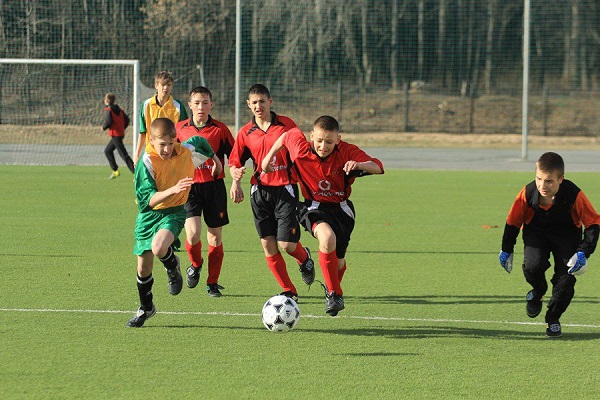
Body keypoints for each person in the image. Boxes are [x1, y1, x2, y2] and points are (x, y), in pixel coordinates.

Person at [261, 116, 384, 316]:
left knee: (339, 262)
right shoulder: (301, 148)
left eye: (329, 142)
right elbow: (286, 136)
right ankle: (334, 294)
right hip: (313, 207)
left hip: (342, 211)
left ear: (338, 139)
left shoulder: (346, 151)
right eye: (319, 140)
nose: (323, 146)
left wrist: (358, 165)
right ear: (311, 136)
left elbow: (377, 167)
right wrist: (268, 158)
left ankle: (332, 288)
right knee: (327, 237)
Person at [126, 118, 219, 328]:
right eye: (162, 144)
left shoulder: (185, 151)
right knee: (143, 268)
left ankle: (171, 266)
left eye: (170, 143)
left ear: (175, 139)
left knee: (159, 247)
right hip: (148, 215)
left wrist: (216, 161)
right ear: (151, 141)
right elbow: (149, 200)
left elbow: (200, 142)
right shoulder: (146, 162)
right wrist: (173, 189)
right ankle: (146, 308)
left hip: (174, 212)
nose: (167, 149)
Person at [499, 151, 600, 337]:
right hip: (536, 232)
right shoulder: (528, 193)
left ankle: (553, 317)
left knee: (566, 280)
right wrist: (506, 249)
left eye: (549, 181)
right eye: (539, 179)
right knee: (533, 266)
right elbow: (513, 221)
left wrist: (583, 252)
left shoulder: (573, 194)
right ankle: (538, 291)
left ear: (561, 179)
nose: (542, 186)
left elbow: (593, 223)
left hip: (567, 235)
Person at [229, 84, 314, 301]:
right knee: (268, 244)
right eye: (254, 102)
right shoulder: (245, 133)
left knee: (287, 245)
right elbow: (235, 162)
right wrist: (235, 180)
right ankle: (289, 291)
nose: (258, 106)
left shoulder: (287, 125)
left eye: (262, 101)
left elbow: (300, 152)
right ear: (248, 105)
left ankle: (304, 258)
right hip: (259, 192)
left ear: (270, 102)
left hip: (285, 189)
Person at [176, 86, 232, 297]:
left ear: (211, 105)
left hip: (214, 187)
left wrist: (235, 174)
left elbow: (235, 155)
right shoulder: (179, 129)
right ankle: (196, 264)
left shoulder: (220, 129)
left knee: (215, 237)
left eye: (205, 103)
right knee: (192, 234)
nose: (201, 107)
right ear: (190, 105)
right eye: (197, 103)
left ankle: (212, 283)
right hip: (189, 187)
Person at [133, 71, 188, 165]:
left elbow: (185, 132)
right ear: (156, 85)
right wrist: (137, 154)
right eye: (163, 84)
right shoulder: (146, 105)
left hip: (172, 155)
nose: (166, 88)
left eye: (169, 85)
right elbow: (143, 132)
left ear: (172, 86)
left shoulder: (178, 106)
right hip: (151, 154)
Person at [101, 93, 134, 179]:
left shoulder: (108, 110)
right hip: (119, 134)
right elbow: (127, 120)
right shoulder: (119, 110)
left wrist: (103, 127)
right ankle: (115, 171)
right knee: (108, 151)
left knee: (124, 155)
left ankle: (136, 172)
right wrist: (122, 127)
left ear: (107, 100)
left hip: (116, 135)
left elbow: (108, 121)